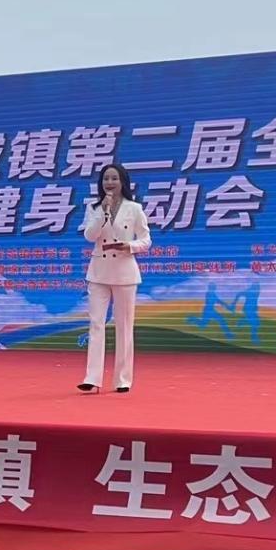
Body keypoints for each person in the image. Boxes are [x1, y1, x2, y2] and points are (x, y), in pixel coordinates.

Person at [79, 163, 151, 393]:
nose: (109, 183)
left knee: (124, 326)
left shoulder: (134, 208)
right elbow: (90, 236)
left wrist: (129, 246)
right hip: (99, 272)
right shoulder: (94, 207)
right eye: (106, 179)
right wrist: (103, 212)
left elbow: (146, 240)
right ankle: (92, 378)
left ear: (123, 182)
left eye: (114, 178)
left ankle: (122, 379)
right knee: (96, 324)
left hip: (125, 272)